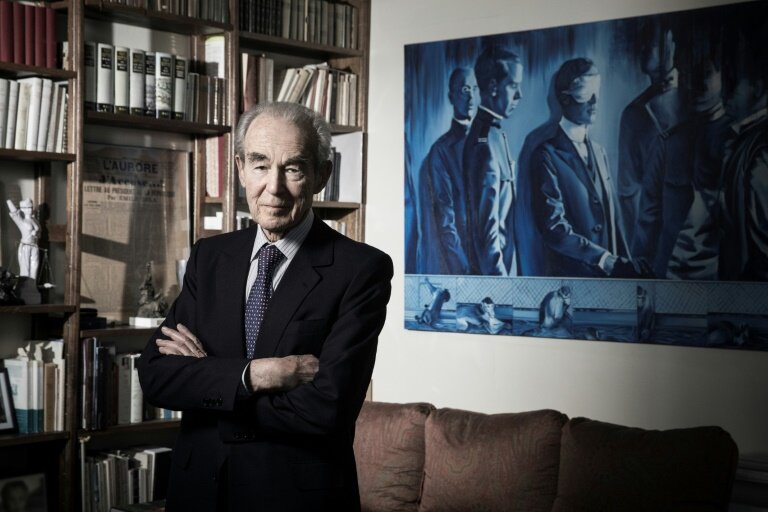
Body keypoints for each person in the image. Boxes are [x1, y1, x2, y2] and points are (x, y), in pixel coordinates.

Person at [136, 102, 394, 511]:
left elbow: (327, 409)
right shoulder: (211, 257)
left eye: (293, 168)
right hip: (199, 490)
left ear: (321, 176)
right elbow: (156, 376)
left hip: (293, 498)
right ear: (239, 169)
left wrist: (210, 385)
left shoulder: (360, 270)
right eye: (259, 165)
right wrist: (259, 374)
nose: (273, 187)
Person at [529, 58, 644, 278]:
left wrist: (624, 265)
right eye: (585, 93)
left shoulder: (600, 153)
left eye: (597, 92)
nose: (595, 101)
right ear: (565, 99)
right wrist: (604, 260)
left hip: (610, 283)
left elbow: (614, 220)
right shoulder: (546, 155)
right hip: (571, 282)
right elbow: (553, 228)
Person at [617, 24, 687, 245]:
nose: (645, 49)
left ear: (673, 48)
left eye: (654, 44)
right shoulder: (632, 114)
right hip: (652, 242)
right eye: (644, 44)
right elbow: (627, 191)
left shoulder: (696, 100)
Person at [462, 45, 523, 275]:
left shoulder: (494, 134)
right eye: (514, 86)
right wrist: (500, 288)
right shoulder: (485, 142)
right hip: (497, 276)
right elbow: (487, 231)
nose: (520, 95)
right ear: (493, 87)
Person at [416, 67, 477, 275]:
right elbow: (445, 218)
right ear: (452, 96)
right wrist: (464, 269)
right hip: (461, 265)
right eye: (465, 89)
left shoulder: (489, 142)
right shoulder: (442, 150)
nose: (471, 96)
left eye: (475, 89)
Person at [6, 199, 40, 280]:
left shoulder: (34, 220)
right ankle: (25, 289)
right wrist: (8, 200)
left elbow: (39, 234)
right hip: (26, 246)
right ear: (22, 209)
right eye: (27, 208)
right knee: (25, 269)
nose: (30, 210)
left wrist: (36, 234)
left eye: (31, 207)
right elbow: (14, 213)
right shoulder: (21, 221)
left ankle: (32, 288)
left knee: (34, 268)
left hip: (34, 245)